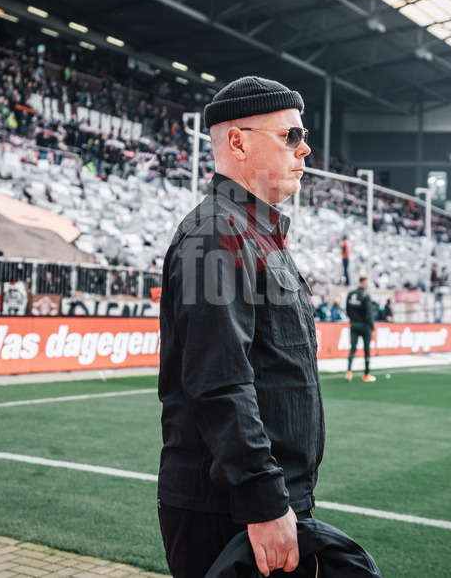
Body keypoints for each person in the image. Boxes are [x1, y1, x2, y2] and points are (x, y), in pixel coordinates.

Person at [157, 76, 328, 578]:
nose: (306, 148)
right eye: (291, 136)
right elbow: (221, 382)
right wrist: (264, 504)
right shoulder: (215, 234)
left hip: (261, 501)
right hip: (233, 509)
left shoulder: (253, 231)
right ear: (237, 140)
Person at [345, 274, 376, 382]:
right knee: (366, 350)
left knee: (352, 349)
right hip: (364, 325)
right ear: (363, 282)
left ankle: (349, 372)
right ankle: (366, 374)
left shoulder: (351, 294)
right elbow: (369, 313)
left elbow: (347, 309)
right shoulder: (365, 295)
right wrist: (372, 327)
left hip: (353, 324)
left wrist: (352, 319)